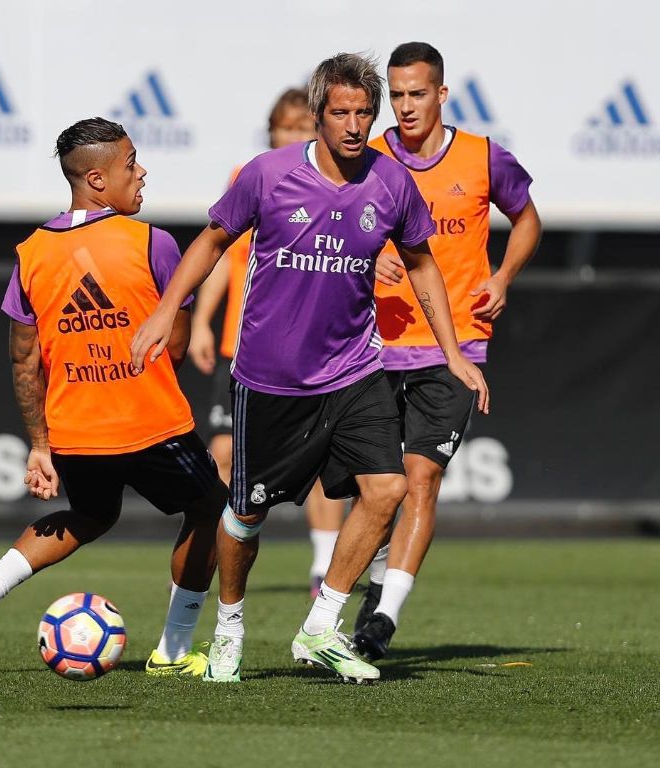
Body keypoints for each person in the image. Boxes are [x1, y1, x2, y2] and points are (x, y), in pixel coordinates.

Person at [131, 53, 489, 684]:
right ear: (318, 115)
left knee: (389, 490)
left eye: (363, 113)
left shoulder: (393, 182)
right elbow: (213, 240)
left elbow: (424, 264)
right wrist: (167, 311)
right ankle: (230, 629)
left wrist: (454, 354)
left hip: (354, 370)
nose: (354, 125)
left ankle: (321, 626)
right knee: (245, 516)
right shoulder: (266, 176)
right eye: (340, 112)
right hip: (271, 380)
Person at [0, 117, 227, 676]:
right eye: (130, 163)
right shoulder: (152, 242)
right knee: (211, 505)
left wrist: (40, 443)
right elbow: (177, 344)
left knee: (92, 513)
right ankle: (175, 649)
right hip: (150, 422)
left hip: (74, 430)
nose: (141, 173)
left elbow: (24, 360)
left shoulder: (31, 252)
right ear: (96, 179)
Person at [352, 42, 542, 660]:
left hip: (455, 345)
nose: (405, 107)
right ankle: (372, 579)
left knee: (422, 478)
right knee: (375, 488)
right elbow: (335, 232)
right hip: (372, 347)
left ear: (441, 94)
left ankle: (384, 615)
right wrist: (368, 257)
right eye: (397, 95)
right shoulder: (369, 158)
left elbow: (528, 219)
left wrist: (502, 278)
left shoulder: (484, 157)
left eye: (416, 93)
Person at [187, 87, 345, 598]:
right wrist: (204, 320)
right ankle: (215, 553)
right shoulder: (250, 177)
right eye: (286, 127)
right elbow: (223, 254)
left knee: (322, 458)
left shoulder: (339, 180)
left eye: (304, 126)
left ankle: (323, 565)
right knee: (223, 454)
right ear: (272, 131)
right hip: (244, 345)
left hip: (313, 349)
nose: (295, 135)